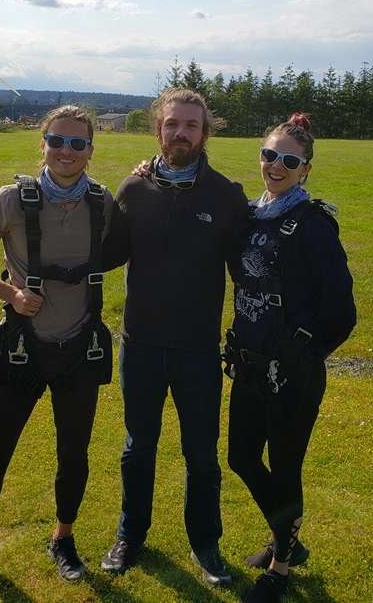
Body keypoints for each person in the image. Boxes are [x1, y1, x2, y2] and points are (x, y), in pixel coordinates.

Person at [0, 105, 114, 585]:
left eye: (78, 143)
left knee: (74, 454)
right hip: (21, 348)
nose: (66, 151)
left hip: (79, 348)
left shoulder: (104, 204)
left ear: (91, 151)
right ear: (43, 143)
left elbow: (136, 245)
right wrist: (11, 295)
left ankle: (63, 537)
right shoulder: (10, 200)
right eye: (57, 140)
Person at [100, 88, 250, 585]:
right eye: (172, 124)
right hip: (140, 345)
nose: (180, 133)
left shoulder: (226, 195)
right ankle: (130, 535)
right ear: (157, 130)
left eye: (191, 125)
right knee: (137, 447)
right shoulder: (134, 189)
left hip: (198, 351)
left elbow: (249, 269)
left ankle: (206, 545)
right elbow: (107, 255)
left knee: (202, 456)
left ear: (205, 133)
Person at [224, 112, 356, 602]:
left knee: (284, 466)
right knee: (240, 457)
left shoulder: (314, 225)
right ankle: (289, 539)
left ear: (305, 169)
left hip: (292, 375)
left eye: (288, 160)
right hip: (251, 364)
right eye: (268, 155)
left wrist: (304, 353)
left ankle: (280, 565)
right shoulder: (253, 216)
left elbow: (342, 310)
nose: (275, 165)